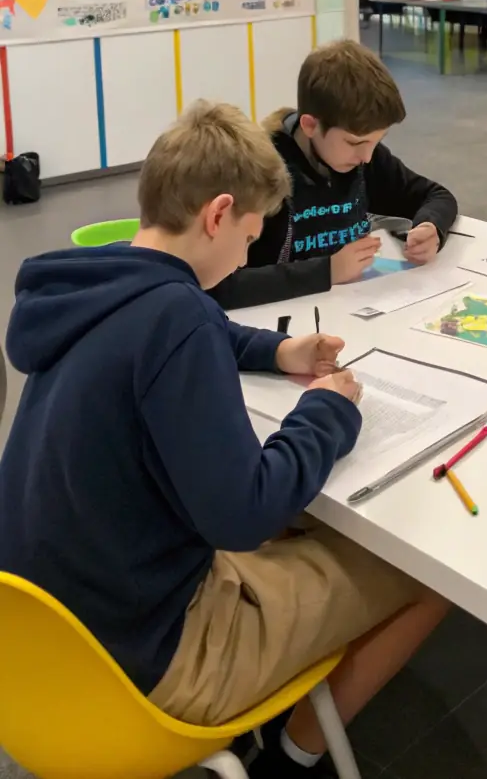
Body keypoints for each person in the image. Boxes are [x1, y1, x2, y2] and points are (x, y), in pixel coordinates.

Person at [0, 102, 446, 779]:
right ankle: (296, 756)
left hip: (39, 647)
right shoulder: (177, 318)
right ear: (217, 214)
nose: (247, 253)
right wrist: (325, 409)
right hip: (148, 665)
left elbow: (203, 321)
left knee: (300, 525)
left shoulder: (97, 279)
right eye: (249, 234)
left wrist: (280, 349)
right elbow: (244, 514)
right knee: (423, 567)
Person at [212, 40, 457, 309]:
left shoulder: (362, 158)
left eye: (377, 141)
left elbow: (436, 195)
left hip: (349, 309)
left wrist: (430, 227)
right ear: (310, 125)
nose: (367, 157)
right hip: (280, 320)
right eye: (355, 143)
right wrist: (326, 271)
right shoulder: (260, 171)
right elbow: (218, 285)